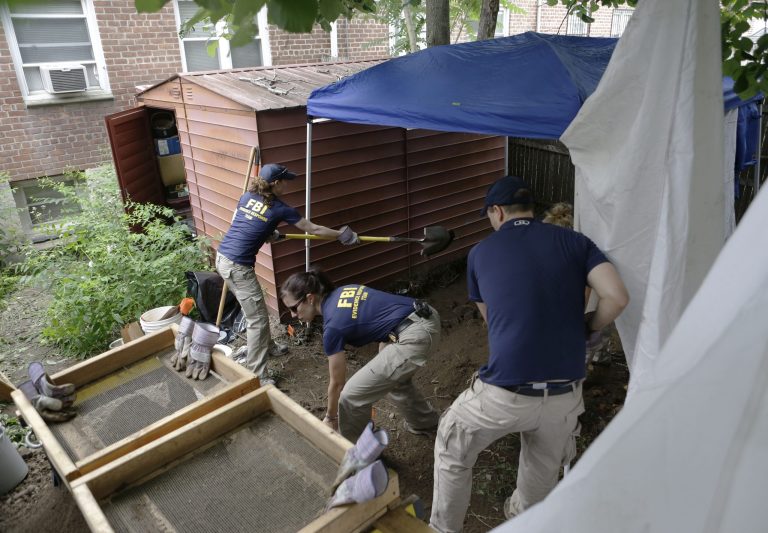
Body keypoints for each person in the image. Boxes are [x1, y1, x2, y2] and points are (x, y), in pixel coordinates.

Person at [430, 176, 629, 532]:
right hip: (564, 396)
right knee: (541, 474)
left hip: (505, 393)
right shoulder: (577, 242)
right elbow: (617, 297)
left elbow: (493, 322)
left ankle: (445, 529)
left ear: (497, 211)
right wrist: (587, 326)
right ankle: (522, 522)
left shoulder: (480, 253)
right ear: (531, 209)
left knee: (452, 446)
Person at [216, 163, 359, 386]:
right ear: (275, 183)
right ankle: (258, 375)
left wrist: (268, 231)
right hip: (237, 267)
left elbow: (243, 222)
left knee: (257, 313)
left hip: (223, 258)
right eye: (285, 181)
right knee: (257, 320)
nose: (287, 185)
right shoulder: (280, 209)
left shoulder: (247, 196)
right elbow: (314, 229)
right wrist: (342, 235)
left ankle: (268, 347)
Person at [280, 267, 441, 441]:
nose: (293, 315)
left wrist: (331, 417)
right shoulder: (342, 291)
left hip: (415, 334)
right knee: (391, 375)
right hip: (422, 315)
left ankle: (360, 449)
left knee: (351, 396)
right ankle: (424, 422)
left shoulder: (333, 327)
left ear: (310, 298)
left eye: (294, 308)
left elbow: (337, 384)